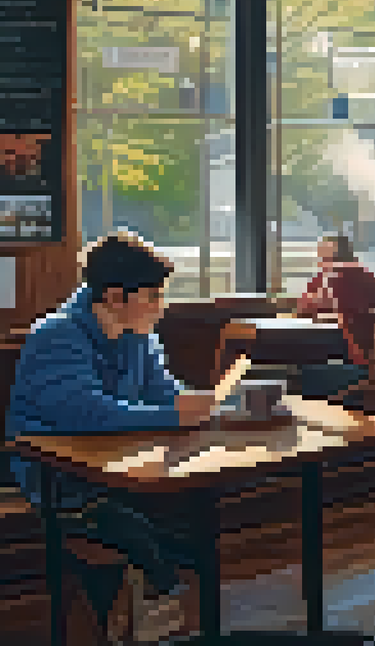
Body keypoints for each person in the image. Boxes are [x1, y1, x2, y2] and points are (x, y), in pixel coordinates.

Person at [6, 232, 220, 638]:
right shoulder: (58, 334)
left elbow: (165, 395)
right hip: (54, 474)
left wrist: (200, 404)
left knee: (190, 518)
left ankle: (160, 601)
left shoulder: (139, 337)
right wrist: (174, 414)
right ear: (114, 296)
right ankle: (153, 600)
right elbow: (84, 415)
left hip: (115, 464)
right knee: (133, 524)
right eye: (153, 296)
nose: (162, 306)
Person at [294, 234, 375, 399]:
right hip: (349, 343)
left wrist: (318, 301)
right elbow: (304, 306)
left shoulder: (350, 276)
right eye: (321, 257)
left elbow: (319, 303)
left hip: (363, 352)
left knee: (302, 368)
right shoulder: (329, 276)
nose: (322, 262)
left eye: (327, 257)